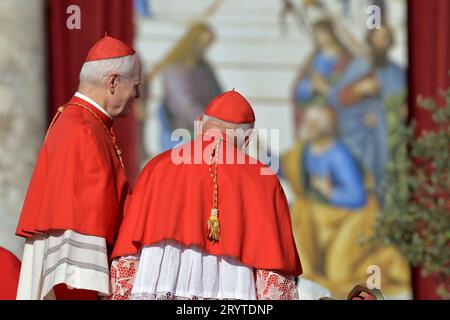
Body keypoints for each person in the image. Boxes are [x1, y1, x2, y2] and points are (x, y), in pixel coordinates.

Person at [109, 90, 301, 300]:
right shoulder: (263, 179)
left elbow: (129, 254)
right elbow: (272, 269)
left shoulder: (156, 167)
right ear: (247, 140)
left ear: (199, 124)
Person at [15, 36, 142, 300]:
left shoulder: (87, 122)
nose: (137, 96)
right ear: (113, 82)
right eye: (136, 86)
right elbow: (74, 265)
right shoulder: (82, 130)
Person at [281, 106, 411, 298]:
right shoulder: (305, 151)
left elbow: (357, 197)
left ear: (322, 127)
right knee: (299, 214)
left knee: (338, 272)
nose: (305, 126)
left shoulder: (338, 155)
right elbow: (284, 169)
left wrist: (330, 191)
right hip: (321, 220)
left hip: (351, 218)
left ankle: (388, 260)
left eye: (310, 123)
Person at [328, 25, 406, 195]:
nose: (380, 42)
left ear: (390, 43)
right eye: (377, 37)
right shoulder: (359, 66)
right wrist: (358, 90)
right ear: (370, 40)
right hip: (355, 134)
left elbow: (404, 109)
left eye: (385, 38)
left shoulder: (397, 73)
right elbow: (337, 98)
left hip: (385, 137)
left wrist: (383, 115)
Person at [149, 22, 222, 152]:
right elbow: (184, 104)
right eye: (203, 44)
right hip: (183, 128)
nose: (204, 49)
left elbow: (219, 95)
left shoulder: (203, 66)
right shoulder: (175, 68)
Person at [291, 19, 352, 135]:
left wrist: (327, 90)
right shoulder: (315, 57)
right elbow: (299, 87)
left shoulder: (345, 59)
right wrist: (311, 87)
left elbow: (349, 87)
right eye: (318, 34)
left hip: (334, 111)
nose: (321, 38)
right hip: (313, 106)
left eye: (324, 33)